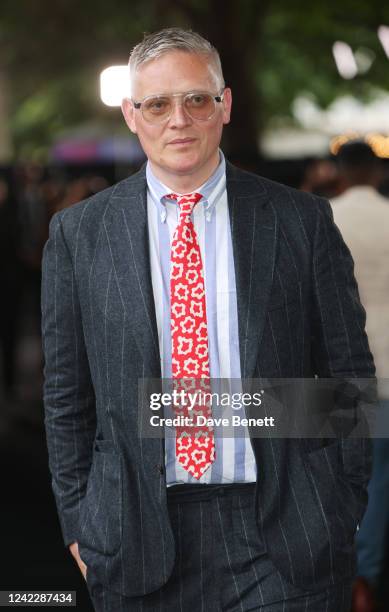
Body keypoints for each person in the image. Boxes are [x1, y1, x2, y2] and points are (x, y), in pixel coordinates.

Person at [41, 28, 375, 612]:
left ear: (225, 105)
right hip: (134, 532)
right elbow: (67, 395)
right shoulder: (80, 235)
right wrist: (79, 521)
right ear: (130, 114)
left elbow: (347, 374)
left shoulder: (301, 220)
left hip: (282, 533)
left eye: (197, 99)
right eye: (158, 104)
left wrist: (338, 503)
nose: (179, 120)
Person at [331, 141, 389, 611]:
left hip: (336, 369)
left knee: (338, 473)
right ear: (376, 171)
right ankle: (365, 576)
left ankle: (345, 572)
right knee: (380, 477)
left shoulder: (322, 217)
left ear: (340, 172)